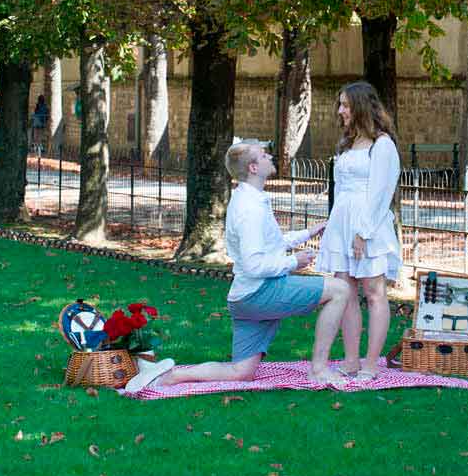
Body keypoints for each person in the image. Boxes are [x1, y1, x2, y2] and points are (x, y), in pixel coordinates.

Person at [132, 140, 350, 390]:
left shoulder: (250, 199)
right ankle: (319, 370)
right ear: (254, 168)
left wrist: (307, 233)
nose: (270, 157)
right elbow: (254, 264)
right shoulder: (249, 208)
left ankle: (170, 377)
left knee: (241, 372)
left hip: (244, 298)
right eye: (264, 155)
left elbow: (270, 244)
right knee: (340, 290)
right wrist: (293, 261)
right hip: (260, 293)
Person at [318, 81, 403, 382]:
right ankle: (352, 360)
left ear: (361, 107)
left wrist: (362, 233)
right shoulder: (347, 144)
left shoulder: (383, 145)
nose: (340, 111)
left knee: (374, 293)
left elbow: (381, 193)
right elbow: (340, 190)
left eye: (345, 105)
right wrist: (334, 226)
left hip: (370, 226)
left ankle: (370, 364)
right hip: (342, 223)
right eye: (340, 104)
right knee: (346, 292)